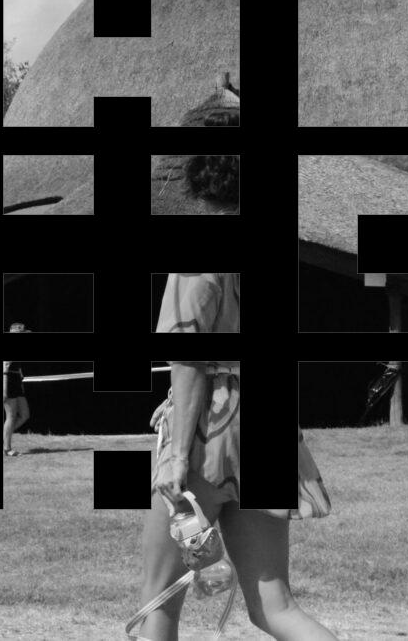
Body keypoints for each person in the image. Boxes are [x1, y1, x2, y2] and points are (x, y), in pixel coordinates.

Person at [136, 274, 336, 641]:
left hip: (209, 434)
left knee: (158, 602)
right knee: (276, 607)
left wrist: (177, 455)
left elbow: (188, 357)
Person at [3, 322, 31, 456]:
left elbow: (17, 367)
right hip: (7, 381)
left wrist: (20, 377)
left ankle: (5, 437)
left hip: (16, 381)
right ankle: (7, 449)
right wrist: (4, 390)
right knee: (11, 415)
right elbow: (4, 370)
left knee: (25, 415)